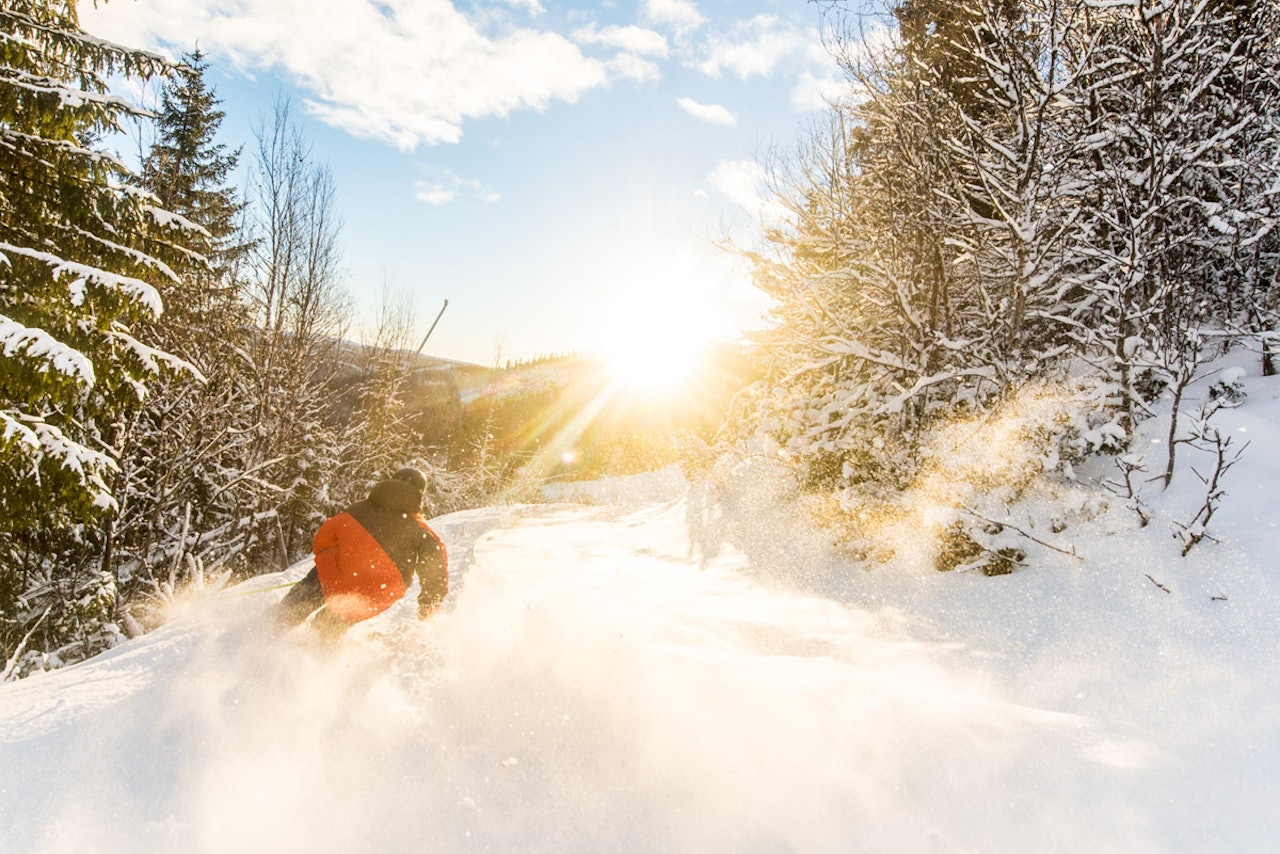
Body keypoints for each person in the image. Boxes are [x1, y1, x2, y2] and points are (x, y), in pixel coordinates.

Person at [274, 467, 448, 641]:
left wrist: (332, 562)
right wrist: (428, 606)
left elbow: (323, 537)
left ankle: (268, 633)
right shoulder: (422, 529)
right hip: (374, 592)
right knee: (327, 627)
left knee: (293, 609)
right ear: (420, 493)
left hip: (335, 574)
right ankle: (313, 656)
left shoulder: (358, 509)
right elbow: (435, 570)